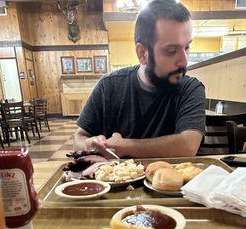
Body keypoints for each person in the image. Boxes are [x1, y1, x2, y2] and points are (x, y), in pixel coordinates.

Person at [74, 0, 205, 158]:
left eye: (187, 47)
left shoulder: (191, 89)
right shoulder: (109, 86)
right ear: (142, 53)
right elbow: (79, 138)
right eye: (171, 50)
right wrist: (89, 144)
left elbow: (188, 146)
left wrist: (124, 146)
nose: (184, 61)